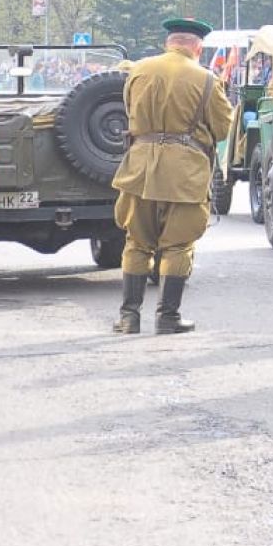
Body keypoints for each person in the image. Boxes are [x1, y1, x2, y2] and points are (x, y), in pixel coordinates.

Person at [109, 18, 234, 334]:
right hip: (185, 175)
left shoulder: (138, 70)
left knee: (136, 243)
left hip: (139, 170)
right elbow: (222, 128)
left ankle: (129, 317)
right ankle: (167, 317)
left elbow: (129, 110)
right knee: (178, 246)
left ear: (169, 43)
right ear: (197, 47)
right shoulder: (207, 79)